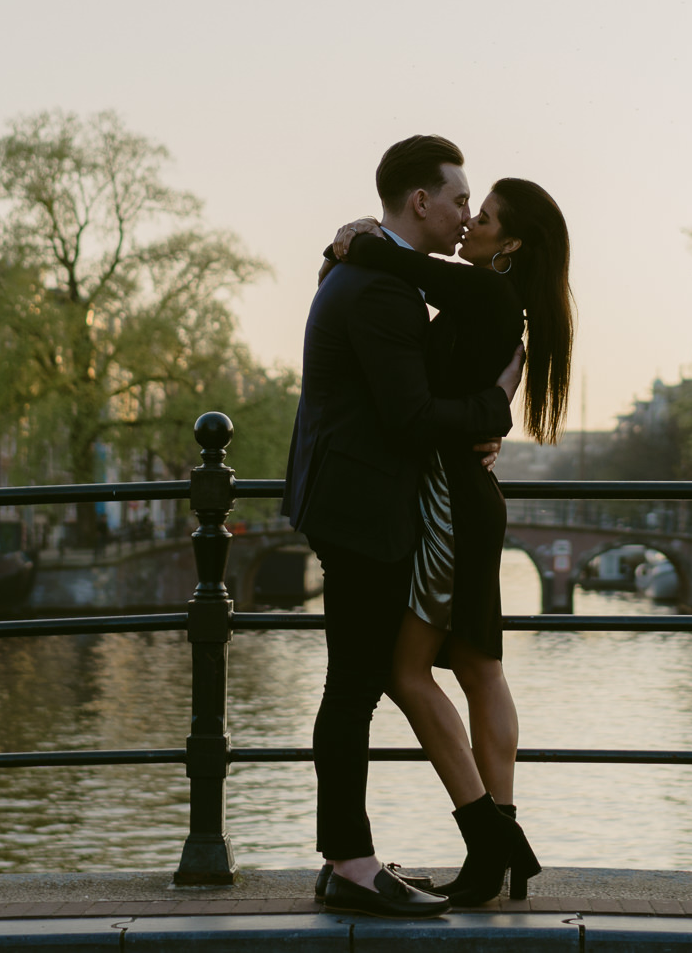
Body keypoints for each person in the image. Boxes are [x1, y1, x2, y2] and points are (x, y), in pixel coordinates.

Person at [281, 135, 528, 919]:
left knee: (356, 684)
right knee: (352, 689)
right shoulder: (382, 290)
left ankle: (362, 856)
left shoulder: (358, 270)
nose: (464, 213)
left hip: (347, 499)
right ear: (419, 201)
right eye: (459, 199)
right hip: (363, 510)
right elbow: (409, 415)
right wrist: (494, 408)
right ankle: (351, 865)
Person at [325, 175, 574, 905]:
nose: (470, 222)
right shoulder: (501, 303)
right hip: (469, 497)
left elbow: (393, 262)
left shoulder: (486, 293)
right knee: (477, 667)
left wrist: (354, 235)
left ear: (512, 243)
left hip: (451, 506)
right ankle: (496, 851)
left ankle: (495, 844)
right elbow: (393, 265)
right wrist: (487, 412)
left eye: (485, 216)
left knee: (406, 674)